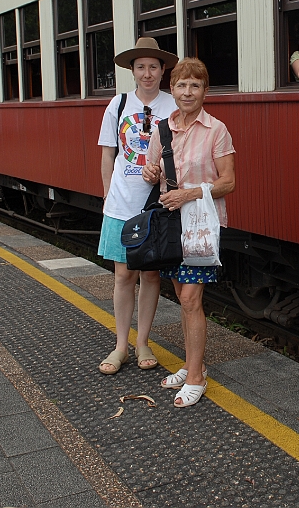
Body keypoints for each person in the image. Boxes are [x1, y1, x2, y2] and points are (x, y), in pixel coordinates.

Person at [142, 57, 236, 408]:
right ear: (172, 89)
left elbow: (229, 181)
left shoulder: (217, 130)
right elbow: (152, 173)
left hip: (200, 225)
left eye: (195, 85)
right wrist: (151, 174)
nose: (187, 91)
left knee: (190, 299)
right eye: (181, 85)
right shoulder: (162, 129)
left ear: (205, 91)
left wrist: (191, 192)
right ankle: (191, 364)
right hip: (170, 225)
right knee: (182, 297)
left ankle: (196, 376)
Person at [96, 37, 178, 377]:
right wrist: (106, 196)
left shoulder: (173, 105)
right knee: (123, 275)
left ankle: (143, 342)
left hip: (155, 205)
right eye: (141, 67)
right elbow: (107, 155)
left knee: (150, 274)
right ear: (132, 71)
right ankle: (120, 345)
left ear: (162, 71)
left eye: (153, 67)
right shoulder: (118, 105)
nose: (147, 73)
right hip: (121, 203)